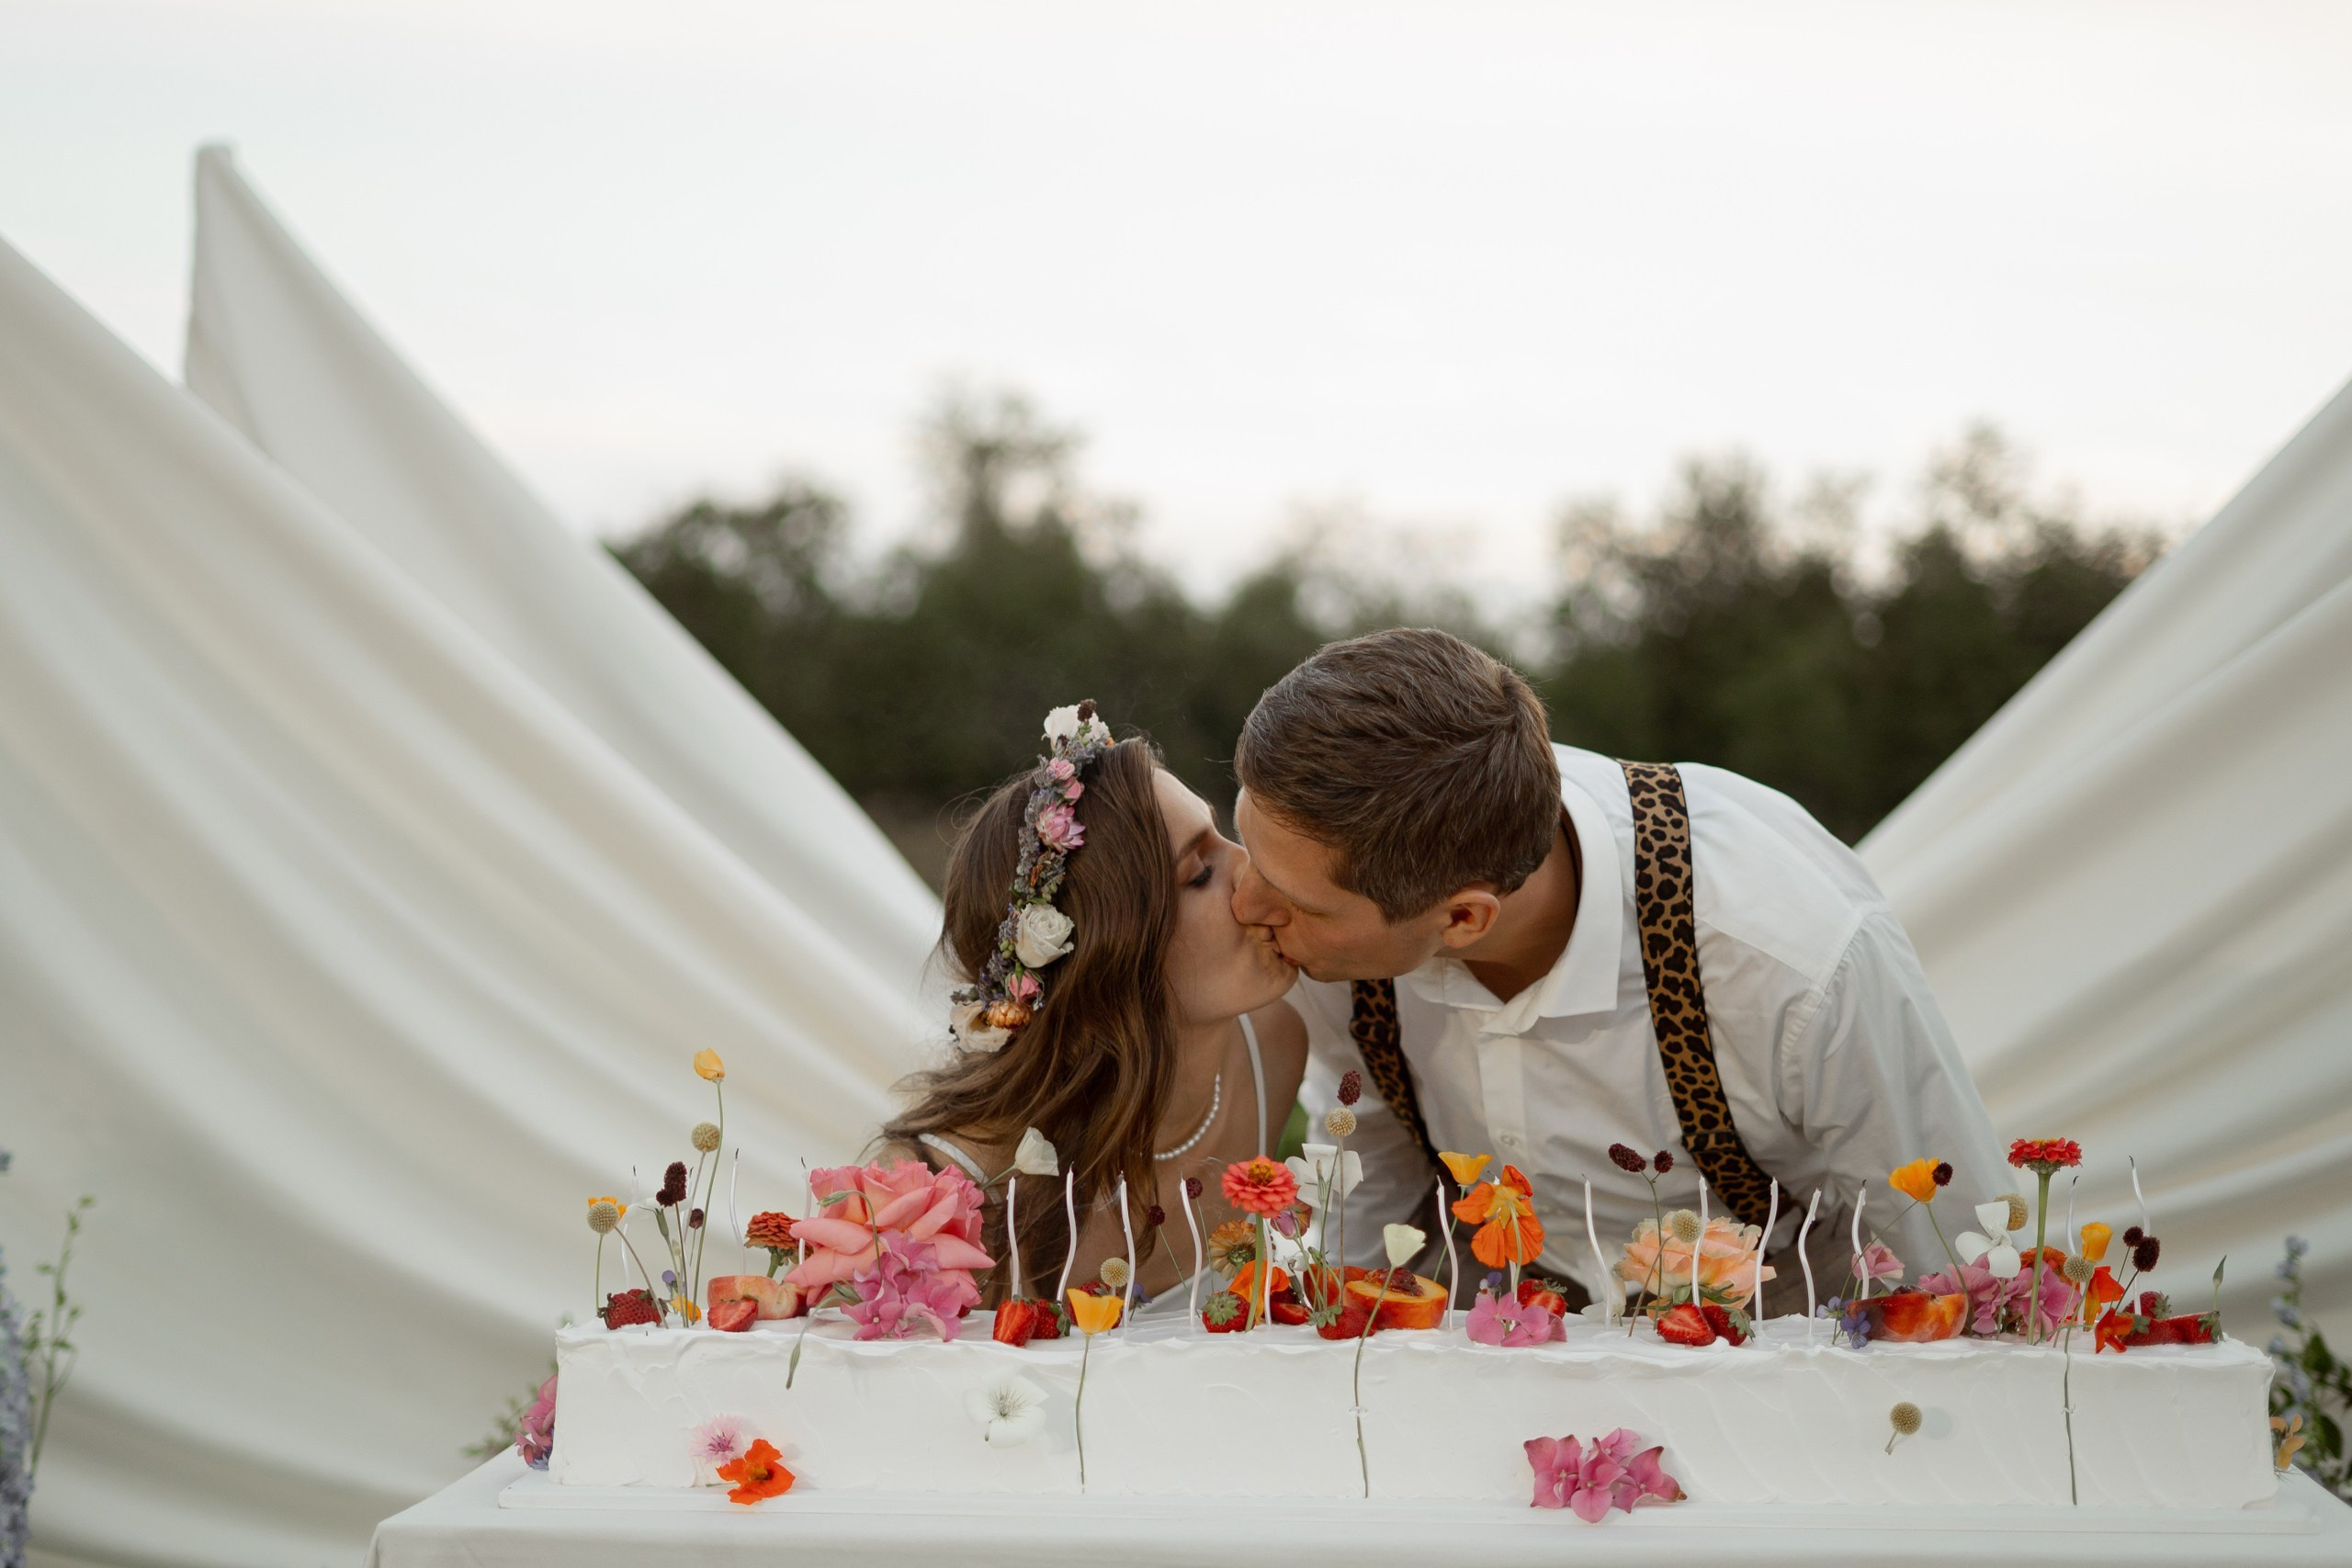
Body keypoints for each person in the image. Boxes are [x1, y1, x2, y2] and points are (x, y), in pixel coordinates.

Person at [1228, 627, 2008, 1314]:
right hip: (1492, 1318)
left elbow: (1950, 1254)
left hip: (1779, 1323)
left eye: (1295, 899)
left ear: (1464, 918)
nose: (1243, 901)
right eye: (1244, 846)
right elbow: (1370, 1160)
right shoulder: (1332, 911)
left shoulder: (1789, 956)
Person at [887, 704, 1307, 1314]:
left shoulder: (1271, 1046)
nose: (1252, 869)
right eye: (1199, 873)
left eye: (1224, 834)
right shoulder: (944, 1195)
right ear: (1106, 956)